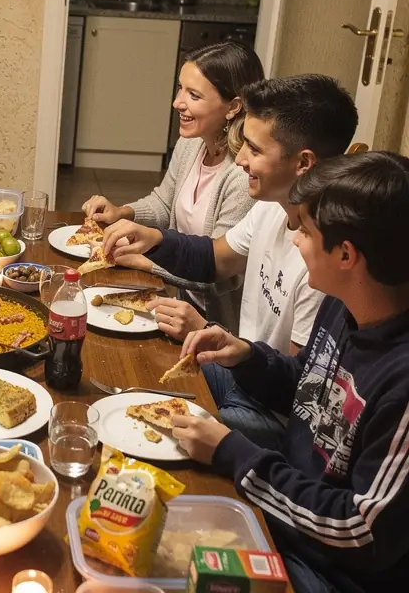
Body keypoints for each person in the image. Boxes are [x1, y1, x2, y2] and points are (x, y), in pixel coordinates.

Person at [72, 151, 409, 593]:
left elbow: (361, 534)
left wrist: (233, 455)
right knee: (134, 519)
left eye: (304, 231)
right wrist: (250, 359)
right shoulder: (350, 310)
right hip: (302, 519)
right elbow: (312, 396)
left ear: (348, 252)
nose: (294, 240)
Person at [102, 75, 358, 448]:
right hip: (240, 373)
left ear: (303, 162)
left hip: (272, 419)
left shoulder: (322, 261)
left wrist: (220, 338)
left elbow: (298, 393)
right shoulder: (272, 208)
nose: (238, 159)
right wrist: (155, 239)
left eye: (254, 149)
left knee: (139, 431)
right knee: (126, 377)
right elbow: (215, 260)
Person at [83, 42, 264, 331]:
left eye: (193, 95)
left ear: (233, 106)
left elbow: (219, 274)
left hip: (213, 325)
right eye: (180, 88)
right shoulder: (191, 143)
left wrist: (144, 261)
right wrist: (122, 213)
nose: (178, 102)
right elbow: (164, 204)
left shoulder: (244, 175)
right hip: (172, 300)